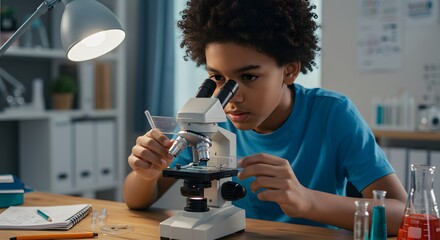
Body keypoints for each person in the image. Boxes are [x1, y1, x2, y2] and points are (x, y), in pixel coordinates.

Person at [123, 0, 407, 234]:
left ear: (290, 71)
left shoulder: (333, 114)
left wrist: (307, 201)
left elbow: (402, 213)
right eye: (217, 78)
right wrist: (145, 174)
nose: (231, 96)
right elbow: (136, 200)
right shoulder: (211, 117)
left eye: (249, 76)